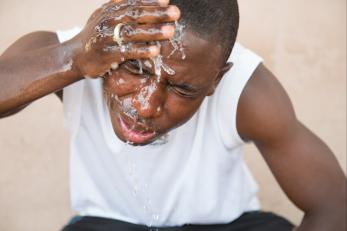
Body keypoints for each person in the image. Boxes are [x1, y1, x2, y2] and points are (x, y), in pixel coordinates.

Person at [0, 0, 346, 230]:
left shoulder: (247, 90)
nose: (147, 106)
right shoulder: (77, 55)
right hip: (107, 223)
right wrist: (73, 58)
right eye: (134, 68)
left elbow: (333, 203)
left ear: (216, 79)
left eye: (183, 90)